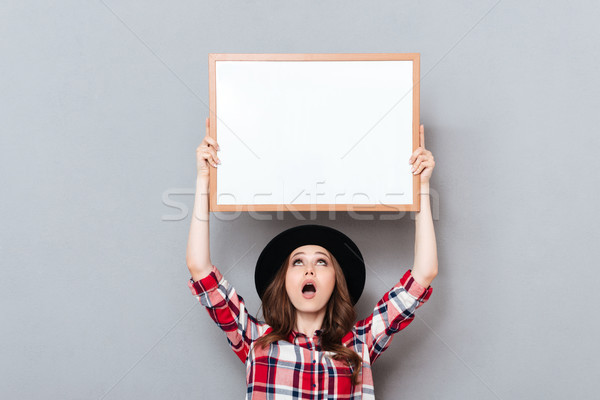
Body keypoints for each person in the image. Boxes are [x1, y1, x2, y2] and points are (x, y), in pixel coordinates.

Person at [186, 117, 438, 399]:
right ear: (283, 281)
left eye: (321, 262)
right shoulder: (255, 341)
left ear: (335, 280)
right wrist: (203, 179)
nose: (309, 270)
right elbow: (200, 269)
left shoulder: (360, 344)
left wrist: (423, 188)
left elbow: (424, 273)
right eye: (298, 262)